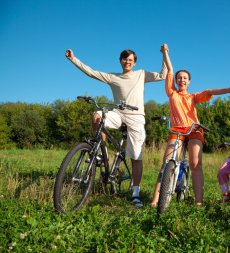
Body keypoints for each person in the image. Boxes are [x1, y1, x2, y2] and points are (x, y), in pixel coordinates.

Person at [65, 46, 168, 207]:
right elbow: (91, 72)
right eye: (125, 59)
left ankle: (135, 193)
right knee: (97, 116)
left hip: (136, 116)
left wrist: (165, 54)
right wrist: (73, 59)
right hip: (118, 114)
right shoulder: (113, 77)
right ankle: (102, 151)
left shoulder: (141, 74)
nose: (128, 62)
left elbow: (163, 74)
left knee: (135, 156)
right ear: (120, 61)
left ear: (134, 63)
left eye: (130, 60)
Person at [151, 44, 230, 206]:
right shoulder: (172, 93)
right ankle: (155, 200)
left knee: (195, 164)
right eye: (179, 78)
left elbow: (209, 92)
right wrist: (165, 53)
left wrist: (227, 90)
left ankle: (198, 201)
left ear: (189, 82)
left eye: (185, 78)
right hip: (176, 129)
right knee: (167, 162)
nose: (181, 80)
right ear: (176, 81)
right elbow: (170, 69)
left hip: (194, 130)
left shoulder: (193, 96)